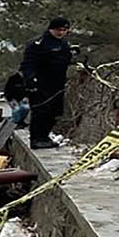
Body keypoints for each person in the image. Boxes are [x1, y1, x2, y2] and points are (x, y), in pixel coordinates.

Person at [21, 17, 75, 149]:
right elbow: (27, 63)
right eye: (58, 30)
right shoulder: (39, 43)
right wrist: (30, 79)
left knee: (54, 112)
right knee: (41, 111)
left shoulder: (63, 43)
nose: (61, 33)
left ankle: (44, 136)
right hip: (41, 83)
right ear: (51, 29)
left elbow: (63, 61)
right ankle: (36, 138)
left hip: (58, 83)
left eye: (64, 30)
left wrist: (71, 54)